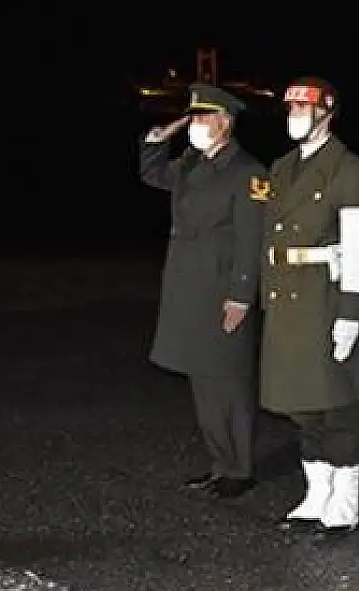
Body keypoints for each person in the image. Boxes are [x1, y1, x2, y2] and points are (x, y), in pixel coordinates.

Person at [256, 77, 359, 537]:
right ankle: (316, 493)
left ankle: (344, 502)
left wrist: (351, 313)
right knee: (301, 405)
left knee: (336, 406)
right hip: (287, 296)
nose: (294, 117)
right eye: (289, 109)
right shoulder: (282, 166)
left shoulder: (350, 170)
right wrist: (266, 293)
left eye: (302, 109)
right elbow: (270, 234)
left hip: (324, 300)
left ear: (326, 112)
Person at [138, 83, 265, 499]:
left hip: (222, 289)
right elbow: (153, 175)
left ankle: (239, 468)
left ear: (225, 122)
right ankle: (219, 464)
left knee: (228, 382)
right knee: (204, 383)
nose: (195, 124)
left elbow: (251, 239)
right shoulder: (191, 164)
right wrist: (157, 141)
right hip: (190, 289)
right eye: (192, 117)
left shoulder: (247, 172)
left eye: (203, 117)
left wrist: (241, 295)